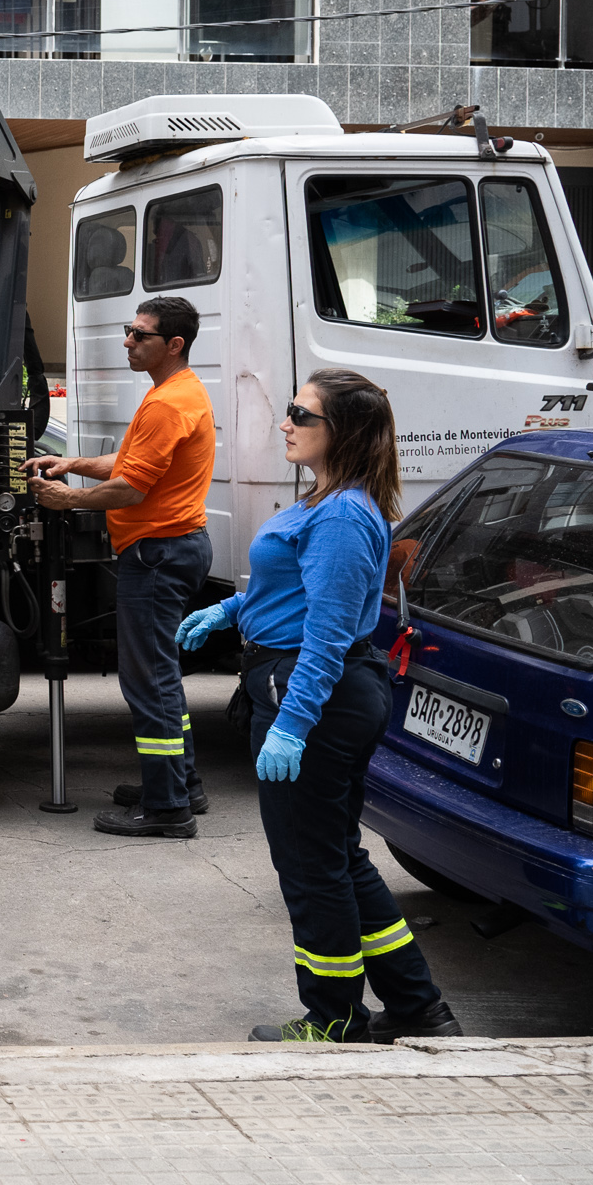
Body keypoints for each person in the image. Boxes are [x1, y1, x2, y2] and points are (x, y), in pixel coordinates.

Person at [178, 370, 464, 1044]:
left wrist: (292, 728)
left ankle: (333, 1020)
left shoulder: (340, 515)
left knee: (311, 870)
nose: (286, 422)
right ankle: (420, 1008)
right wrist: (227, 610)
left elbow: (329, 635)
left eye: (300, 413)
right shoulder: (327, 502)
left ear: (343, 432)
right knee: (337, 857)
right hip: (315, 688)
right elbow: (297, 595)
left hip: (314, 694)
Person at [29, 293, 217, 839]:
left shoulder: (167, 402)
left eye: (141, 335)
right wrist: (74, 463)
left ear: (174, 344)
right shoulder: (177, 391)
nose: (128, 341)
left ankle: (167, 809)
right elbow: (132, 461)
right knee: (162, 677)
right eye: (128, 330)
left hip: (159, 553)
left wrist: (68, 499)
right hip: (172, 547)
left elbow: (130, 489)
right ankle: (181, 783)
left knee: (149, 681)